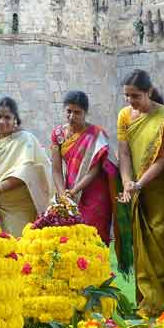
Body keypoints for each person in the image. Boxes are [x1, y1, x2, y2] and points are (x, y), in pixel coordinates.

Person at [116, 70, 164, 317]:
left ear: (149, 92)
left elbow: (163, 160)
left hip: (158, 189)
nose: (131, 101)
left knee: (160, 244)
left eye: (136, 96)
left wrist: (139, 184)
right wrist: (126, 182)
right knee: (141, 245)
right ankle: (147, 301)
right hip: (134, 187)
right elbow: (123, 153)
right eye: (127, 96)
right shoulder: (124, 116)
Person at [0, 96, 53, 236]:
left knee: (17, 244)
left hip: (17, 203)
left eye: (7, 117)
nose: (2, 121)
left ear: (15, 119)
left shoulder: (25, 139)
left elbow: (26, 171)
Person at [50, 91, 118, 247]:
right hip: (69, 192)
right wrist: (63, 194)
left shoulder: (96, 134)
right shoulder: (58, 135)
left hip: (95, 194)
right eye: (68, 111)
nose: (72, 116)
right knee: (70, 239)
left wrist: (74, 191)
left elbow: (94, 170)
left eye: (77, 112)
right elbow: (56, 170)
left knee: (94, 238)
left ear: (85, 113)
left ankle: (100, 270)